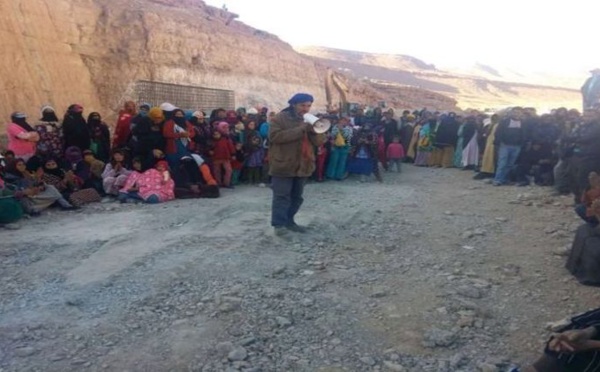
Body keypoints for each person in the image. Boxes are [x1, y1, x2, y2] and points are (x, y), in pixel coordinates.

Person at [268, 93, 325, 235]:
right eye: (302, 105)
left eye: (308, 105)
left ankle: (289, 221)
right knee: (282, 197)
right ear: (293, 104)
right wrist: (301, 129)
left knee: (297, 197)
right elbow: (275, 137)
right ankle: (279, 226)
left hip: (303, 165)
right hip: (283, 164)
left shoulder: (310, 120)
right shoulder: (280, 118)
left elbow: (319, 142)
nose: (305, 109)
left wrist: (315, 132)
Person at [493, 108, 527, 186]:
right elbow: (498, 133)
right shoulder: (504, 122)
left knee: (510, 164)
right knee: (502, 163)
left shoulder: (523, 123)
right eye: (515, 112)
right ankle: (497, 179)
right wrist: (499, 142)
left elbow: (524, 134)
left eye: (518, 112)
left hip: (517, 146)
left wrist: (522, 143)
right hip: (505, 145)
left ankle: (504, 179)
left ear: (521, 114)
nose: (516, 114)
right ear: (511, 113)